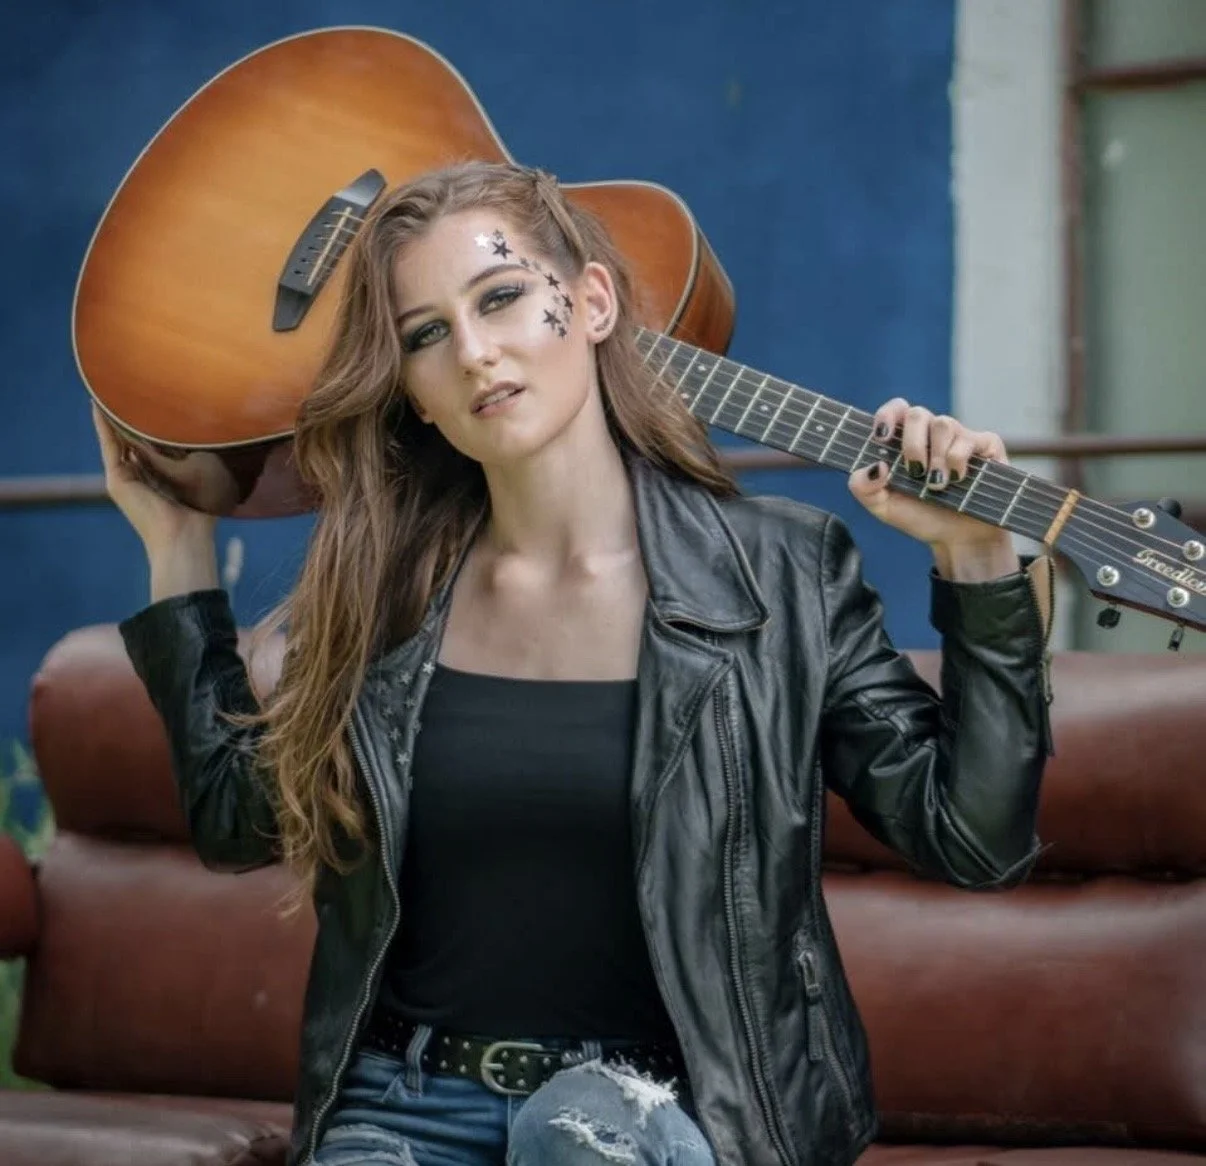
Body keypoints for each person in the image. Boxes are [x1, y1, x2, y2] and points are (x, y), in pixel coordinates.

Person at [95, 160, 1053, 1166]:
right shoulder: (381, 593)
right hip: (402, 1106)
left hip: (662, 1110)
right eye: (426, 335)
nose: (474, 352)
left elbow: (974, 839)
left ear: (593, 302)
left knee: (577, 1136)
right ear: (414, 394)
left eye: (501, 296)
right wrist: (178, 544)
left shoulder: (780, 575)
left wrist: (978, 557)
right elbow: (235, 820)